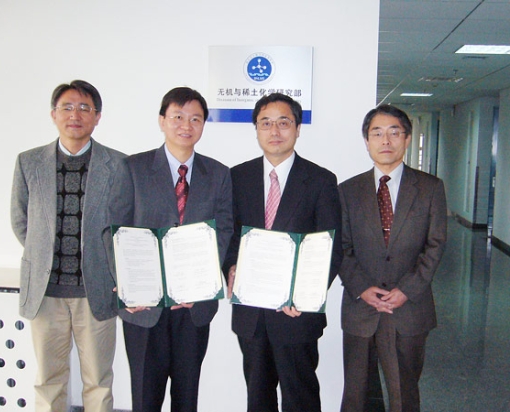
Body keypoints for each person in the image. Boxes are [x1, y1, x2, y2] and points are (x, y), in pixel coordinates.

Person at [108, 87, 233, 412]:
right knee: (145, 398)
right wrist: (126, 288)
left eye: (195, 118)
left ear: (204, 124)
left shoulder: (218, 174)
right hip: (144, 308)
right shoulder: (132, 169)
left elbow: (224, 230)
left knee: (186, 398)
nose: (186, 125)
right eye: (177, 116)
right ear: (162, 120)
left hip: (193, 309)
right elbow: (114, 230)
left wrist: (201, 282)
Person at [10, 80, 126, 412]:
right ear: (54, 114)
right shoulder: (28, 162)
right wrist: (43, 254)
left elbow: (123, 227)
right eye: (68, 107)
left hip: (97, 291)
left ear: (98, 117)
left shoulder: (118, 165)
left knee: (98, 380)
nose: (75, 115)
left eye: (85, 108)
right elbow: (21, 221)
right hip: (46, 292)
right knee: (49, 379)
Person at [223, 93, 343, 412]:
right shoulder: (237, 177)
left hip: (297, 314)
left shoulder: (320, 180)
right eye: (266, 123)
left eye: (283, 122)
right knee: (257, 395)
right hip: (252, 313)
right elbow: (229, 236)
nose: (274, 130)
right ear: (257, 129)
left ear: (298, 128)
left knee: (299, 395)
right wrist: (230, 267)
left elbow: (331, 248)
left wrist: (304, 295)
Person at [338, 104, 447, 412]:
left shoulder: (430, 188)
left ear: (407, 139)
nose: (386, 141)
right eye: (377, 133)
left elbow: (436, 244)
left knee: (404, 395)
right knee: (355, 396)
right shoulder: (347, 190)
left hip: (409, 308)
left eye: (394, 132)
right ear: (367, 141)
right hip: (361, 308)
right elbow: (341, 248)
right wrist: (361, 287)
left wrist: (406, 290)